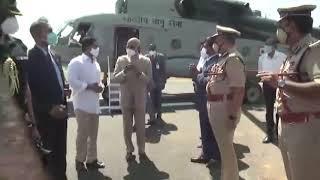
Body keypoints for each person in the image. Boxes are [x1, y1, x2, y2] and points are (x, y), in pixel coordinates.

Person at [259, 5, 320, 180]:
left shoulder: (313, 50)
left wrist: (280, 82)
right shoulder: (294, 52)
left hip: (305, 130)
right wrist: (277, 82)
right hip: (287, 127)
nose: (280, 30)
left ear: (292, 25)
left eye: (283, 24)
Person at [0, 0, 48, 179]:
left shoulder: (19, 46)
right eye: (10, 16)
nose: (13, 20)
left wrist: (33, 124)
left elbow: (26, 87)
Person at [27, 18, 68, 180]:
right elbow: (30, 92)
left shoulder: (55, 56)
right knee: (48, 157)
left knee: (61, 152)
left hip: (61, 113)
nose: (53, 34)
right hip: (46, 117)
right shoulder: (32, 57)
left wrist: (64, 90)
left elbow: (57, 80)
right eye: (49, 31)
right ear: (38, 35)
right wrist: (48, 108)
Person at [207, 25, 246, 180]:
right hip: (217, 107)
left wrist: (231, 116)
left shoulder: (233, 59)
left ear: (223, 40)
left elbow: (238, 91)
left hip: (224, 109)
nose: (214, 43)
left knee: (226, 150)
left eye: (217, 40)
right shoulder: (224, 58)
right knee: (224, 150)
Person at [68, 37, 105, 171]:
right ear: (88, 47)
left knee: (93, 135)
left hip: (94, 105)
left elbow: (98, 82)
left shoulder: (96, 63)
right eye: (95, 46)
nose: (97, 48)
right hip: (81, 105)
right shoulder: (76, 62)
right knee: (83, 134)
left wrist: (101, 87)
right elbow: (72, 81)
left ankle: (92, 160)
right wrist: (89, 86)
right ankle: (79, 160)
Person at [113, 37, 152, 162]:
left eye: (132, 46)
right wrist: (124, 71)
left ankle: (142, 150)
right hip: (126, 99)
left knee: (140, 126)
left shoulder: (146, 61)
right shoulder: (121, 60)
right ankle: (129, 150)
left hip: (140, 100)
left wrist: (138, 72)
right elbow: (115, 78)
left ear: (138, 48)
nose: (130, 48)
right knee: (127, 127)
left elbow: (148, 80)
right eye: (128, 46)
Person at [190, 36, 221, 165]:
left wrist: (196, 75)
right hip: (203, 99)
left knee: (211, 129)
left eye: (205, 46)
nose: (203, 48)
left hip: (210, 100)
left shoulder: (216, 62)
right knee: (205, 127)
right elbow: (203, 76)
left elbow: (209, 80)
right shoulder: (208, 60)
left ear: (211, 47)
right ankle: (206, 153)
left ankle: (214, 156)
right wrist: (198, 74)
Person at [258, 38, 286, 143]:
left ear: (275, 47)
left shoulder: (283, 57)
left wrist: (278, 83)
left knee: (279, 109)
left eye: (269, 45)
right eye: (266, 45)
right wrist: (263, 82)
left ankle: (278, 134)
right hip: (267, 86)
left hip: (279, 85)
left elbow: (285, 73)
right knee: (269, 110)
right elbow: (260, 73)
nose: (266, 48)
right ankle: (269, 135)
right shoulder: (262, 58)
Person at [145, 44, 166, 124]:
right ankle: (152, 117)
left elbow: (163, 70)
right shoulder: (146, 57)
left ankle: (159, 116)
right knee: (151, 100)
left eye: (153, 49)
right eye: (151, 49)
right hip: (150, 83)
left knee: (159, 99)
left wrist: (164, 81)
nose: (152, 50)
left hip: (159, 82)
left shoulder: (161, 57)